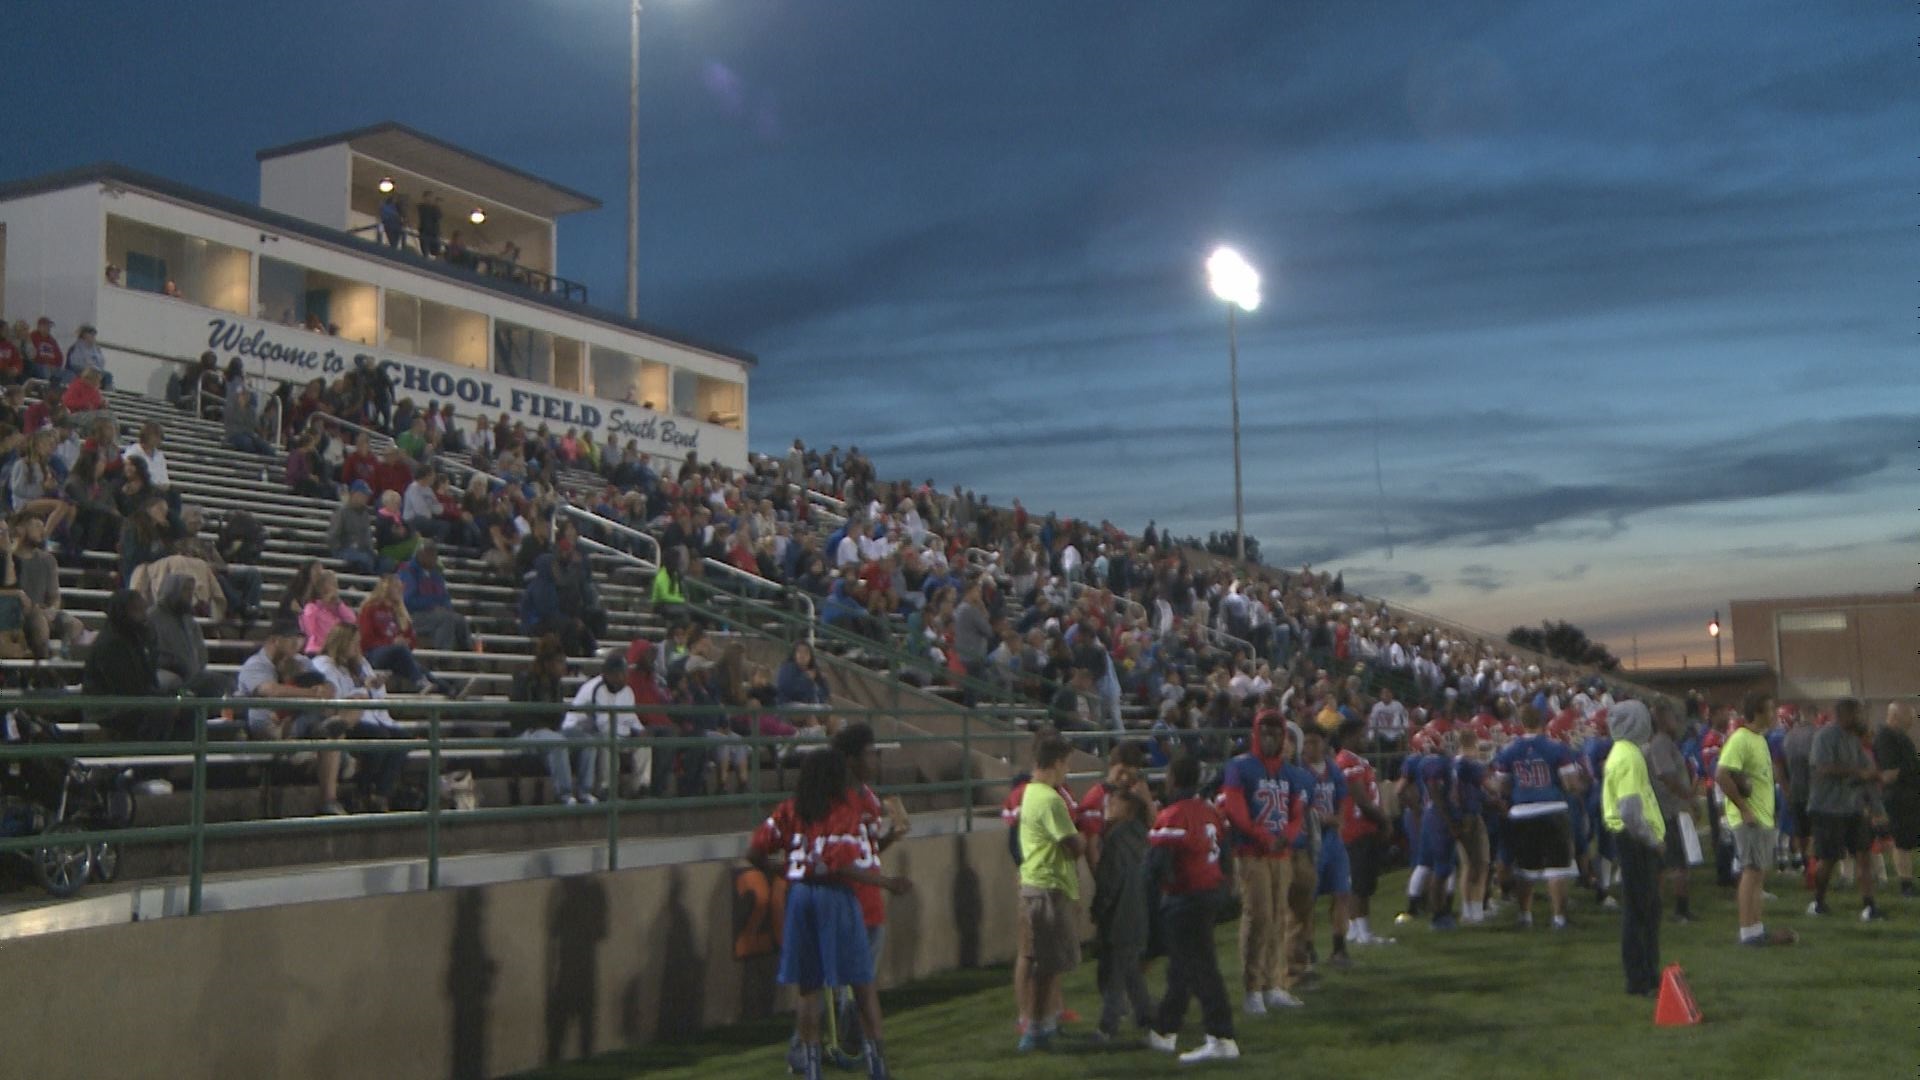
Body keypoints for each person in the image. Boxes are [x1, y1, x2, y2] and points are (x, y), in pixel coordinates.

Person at [748, 748, 906, 1080]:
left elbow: (755, 850)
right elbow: (841, 864)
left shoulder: (790, 809)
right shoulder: (842, 809)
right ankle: (878, 1068)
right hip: (835, 896)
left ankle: (811, 1069)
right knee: (862, 984)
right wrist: (886, 883)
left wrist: (782, 868)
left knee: (808, 988)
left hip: (799, 897)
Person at [1146, 753, 1241, 1064]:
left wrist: (1165, 893)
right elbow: (1225, 851)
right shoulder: (1209, 811)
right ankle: (1165, 1030)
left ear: (1173, 778)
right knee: (1183, 965)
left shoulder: (1173, 815)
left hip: (1187, 897)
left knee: (1201, 968)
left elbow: (1158, 866)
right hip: (1209, 891)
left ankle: (1221, 1035)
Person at [1216, 711, 1307, 1012]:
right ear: (1256, 733)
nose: (1270, 737)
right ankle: (1253, 987)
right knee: (1259, 916)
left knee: (1280, 915)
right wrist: (1267, 838)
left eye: (1275, 731)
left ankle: (1274, 982)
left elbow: (1297, 813)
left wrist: (1288, 837)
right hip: (1252, 853)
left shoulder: (1290, 772)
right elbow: (1236, 811)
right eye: (1265, 731)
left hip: (1280, 854)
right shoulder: (1240, 767)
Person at [1490, 704, 1587, 929]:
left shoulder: (1509, 750)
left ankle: (1525, 916)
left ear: (1522, 723)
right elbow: (1571, 783)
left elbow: (1501, 785)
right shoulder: (1557, 748)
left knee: (1526, 868)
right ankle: (1559, 918)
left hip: (1522, 811)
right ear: (1543, 722)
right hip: (1553, 808)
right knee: (1557, 868)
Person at [1014, 733, 1082, 1053]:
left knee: (1046, 960)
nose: (1067, 770)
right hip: (1047, 887)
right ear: (1056, 763)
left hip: (1036, 884)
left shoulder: (1030, 792)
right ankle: (1036, 1027)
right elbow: (1072, 844)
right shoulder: (1051, 799)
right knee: (1047, 963)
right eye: (1066, 763)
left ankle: (1044, 1023)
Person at [235, 622, 341, 814]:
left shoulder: (300, 661)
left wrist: (323, 689)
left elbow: (329, 687)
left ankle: (329, 800)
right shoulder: (256, 665)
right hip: (269, 728)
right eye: (292, 640)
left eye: (299, 640)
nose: (297, 645)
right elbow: (270, 691)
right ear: (275, 640)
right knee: (323, 727)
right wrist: (312, 693)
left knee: (331, 729)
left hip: (299, 722)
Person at [1717, 690, 1792, 946]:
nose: (1774, 715)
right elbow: (1722, 774)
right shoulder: (1741, 739)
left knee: (1758, 873)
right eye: (1770, 710)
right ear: (1757, 712)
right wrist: (1743, 808)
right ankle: (1747, 930)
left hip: (1763, 817)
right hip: (1750, 818)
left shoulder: (1760, 739)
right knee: (1750, 871)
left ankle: (1757, 927)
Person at [1600, 701, 1665, 997]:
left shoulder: (1624, 753)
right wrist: (1652, 839)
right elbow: (1629, 810)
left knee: (1646, 909)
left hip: (1632, 839)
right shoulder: (1629, 757)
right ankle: (1640, 979)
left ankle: (1648, 973)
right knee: (1640, 911)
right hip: (1634, 840)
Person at [1806, 698, 1888, 921]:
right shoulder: (1824, 736)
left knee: (1864, 855)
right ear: (1843, 715)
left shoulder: (1853, 740)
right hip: (1827, 807)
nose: (1861, 719)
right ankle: (1819, 901)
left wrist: (1876, 783)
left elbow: (1866, 770)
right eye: (1857, 714)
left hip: (1852, 807)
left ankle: (1869, 906)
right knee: (1829, 858)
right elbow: (1822, 768)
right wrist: (1858, 772)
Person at [310, 624, 406, 812]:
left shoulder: (360, 664)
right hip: (345, 717)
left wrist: (375, 686)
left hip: (371, 715)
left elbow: (375, 695)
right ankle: (362, 791)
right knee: (379, 738)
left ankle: (380, 794)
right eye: (353, 643)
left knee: (403, 739)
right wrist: (364, 689)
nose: (356, 647)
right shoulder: (324, 664)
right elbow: (335, 696)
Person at [1090, 783, 1153, 1044]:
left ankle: (1107, 1028)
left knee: (1115, 974)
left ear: (1127, 809)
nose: (1108, 805)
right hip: (1140, 913)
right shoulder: (1144, 836)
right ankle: (1148, 1016)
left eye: (1114, 802)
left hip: (1120, 916)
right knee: (1129, 971)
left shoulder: (1116, 839)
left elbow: (1109, 881)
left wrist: (1098, 909)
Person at [81, 590, 178, 740]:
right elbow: (126, 688)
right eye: (136, 610)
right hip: (106, 706)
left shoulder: (136, 639)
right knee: (161, 709)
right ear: (122, 612)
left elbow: (147, 680)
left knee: (186, 707)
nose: (143, 616)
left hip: (133, 700)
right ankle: (149, 758)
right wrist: (161, 698)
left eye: (143, 610)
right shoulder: (110, 643)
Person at [510, 634, 590, 804]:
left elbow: (559, 716)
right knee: (558, 741)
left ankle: (585, 791)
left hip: (552, 732)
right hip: (528, 733)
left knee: (586, 740)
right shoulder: (525, 680)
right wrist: (543, 727)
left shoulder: (557, 685)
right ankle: (565, 795)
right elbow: (520, 716)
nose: (564, 667)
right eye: (559, 662)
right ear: (547, 663)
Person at [562, 651, 640, 801]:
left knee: (643, 745)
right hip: (576, 729)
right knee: (607, 740)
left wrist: (635, 731)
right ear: (609, 674)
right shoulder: (596, 688)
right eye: (619, 673)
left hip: (601, 730)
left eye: (624, 673)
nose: (623, 677)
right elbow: (602, 724)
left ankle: (640, 787)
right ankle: (606, 788)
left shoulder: (620, 689)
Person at [1646, 700, 1697, 921]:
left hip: (1667, 809)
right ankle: (1680, 910)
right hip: (1666, 810)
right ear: (1662, 720)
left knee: (1666, 864)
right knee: (1678, 863)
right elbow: (1666, 775)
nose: (1677, 722)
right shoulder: (1660, 743)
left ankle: (1662, 908)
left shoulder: (1665, 743)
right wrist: (1688, 798)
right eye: (1672, 717)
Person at [150, 572, 228, 699]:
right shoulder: (152, 617)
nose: (189, 595)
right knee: (171, 682)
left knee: (222, 682)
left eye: (191, 590)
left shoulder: (189, 620)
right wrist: (176, 664)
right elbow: (151, 655)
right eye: (185, 589)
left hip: (191, 673)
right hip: (163, 672)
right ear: (173, 589)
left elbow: (201, 652)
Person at [1874, 702, 1920, 898]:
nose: (1912, 721)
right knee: (1901, 841)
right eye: (1909, 716)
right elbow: (1888, 773)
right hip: (1898, 797)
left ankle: (1908, 882)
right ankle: (1905, 884)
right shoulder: (1886, 737)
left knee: (1907, 841)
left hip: (1909, 795)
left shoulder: (1901, 737)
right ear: (1895, 716)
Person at [398, 540, 472, 652]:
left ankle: (468, 656)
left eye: (434, 554)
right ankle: (443, 658)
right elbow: (406, 601)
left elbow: (445, 598)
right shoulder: (407, 571)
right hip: (412, 616)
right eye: (429, 554)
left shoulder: (436, 574)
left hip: (434, 614)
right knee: (445, 618)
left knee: (460, 620)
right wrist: (432, 605)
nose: (433, 558)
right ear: (420, 554)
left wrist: (445, 607)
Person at [330, 481, 389, 575]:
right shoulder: (341, 512)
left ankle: (376, 580)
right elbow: (333, 536)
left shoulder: (365, 514)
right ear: (355, 494)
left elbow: (367, 538)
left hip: (363, 551)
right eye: (364, 495)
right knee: (364, 559)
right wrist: (339, 550)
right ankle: (371, 583)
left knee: (386, 561)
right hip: (345, 550)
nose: (366, 499)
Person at [777, 641, 832, 707]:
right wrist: (806, 679)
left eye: (806, 652)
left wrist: (822, 681)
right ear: (794, 654)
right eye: (799, 652)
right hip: (788, 705)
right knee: (808, 712)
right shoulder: (787, 668)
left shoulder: (814, 671)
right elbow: (789, 690)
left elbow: (825, 695)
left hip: (810, 706)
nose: (802, 655)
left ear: (811, 656)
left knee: (829, 710)